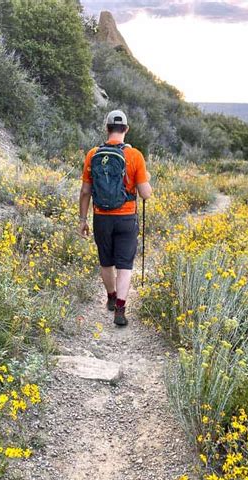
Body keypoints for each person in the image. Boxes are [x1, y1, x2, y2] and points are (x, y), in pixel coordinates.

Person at [79, 110, 152, 327]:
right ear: (126, 130)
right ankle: (120, 308)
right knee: (124, 266)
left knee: (106, 261)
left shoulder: (93, 154)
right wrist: (146, 179)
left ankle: (110, 296)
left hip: (101, 217)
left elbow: (85, 191)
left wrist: (82, 219)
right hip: (126, 218)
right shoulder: (135, 156)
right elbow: (145, 193)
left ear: (107, 128)